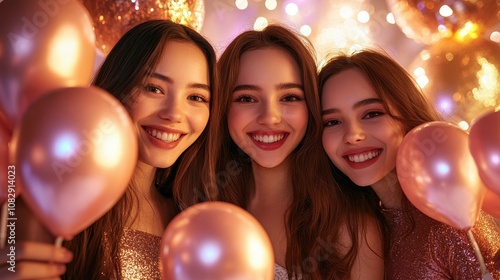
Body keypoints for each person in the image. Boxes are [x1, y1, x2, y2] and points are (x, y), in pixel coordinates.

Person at [0, 19, 220, 279]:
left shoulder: (198, 220)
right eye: (153, 88)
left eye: (196, 97)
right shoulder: (48, 198)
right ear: (119, 87)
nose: (174, 114)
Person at [215, 24, 384, 280]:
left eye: (289, 97)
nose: (270, 118)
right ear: (223, 106)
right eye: (247, 98)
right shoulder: (198, 204)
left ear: (311, 107)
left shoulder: (352, 229)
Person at [318, 49, 500, 279]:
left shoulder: (449, 222)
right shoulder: (356, 227)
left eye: (372, 114)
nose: (353, 135)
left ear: (405, 114)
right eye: (333, 121)